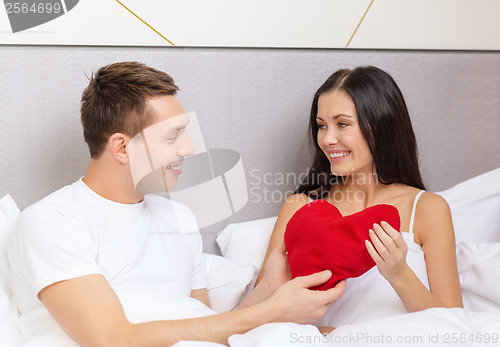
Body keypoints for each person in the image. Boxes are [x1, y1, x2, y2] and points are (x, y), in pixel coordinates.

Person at [8, 61, 346, 346]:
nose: (188, 148)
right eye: (172, 136)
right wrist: (273, 312)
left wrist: (269, 291)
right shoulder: (52, 222)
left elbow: (204, 327)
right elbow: (113, 338)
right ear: (122, 148)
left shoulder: (178, 218)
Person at [257, 66, 463, 330]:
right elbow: (261, 312)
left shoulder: (427, 209)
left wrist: (398, 274)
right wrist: (345, 337)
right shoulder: (300, 207)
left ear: (382, 126)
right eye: (321, 126)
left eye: (342, 124)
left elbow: (454, 325)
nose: (328, 139)